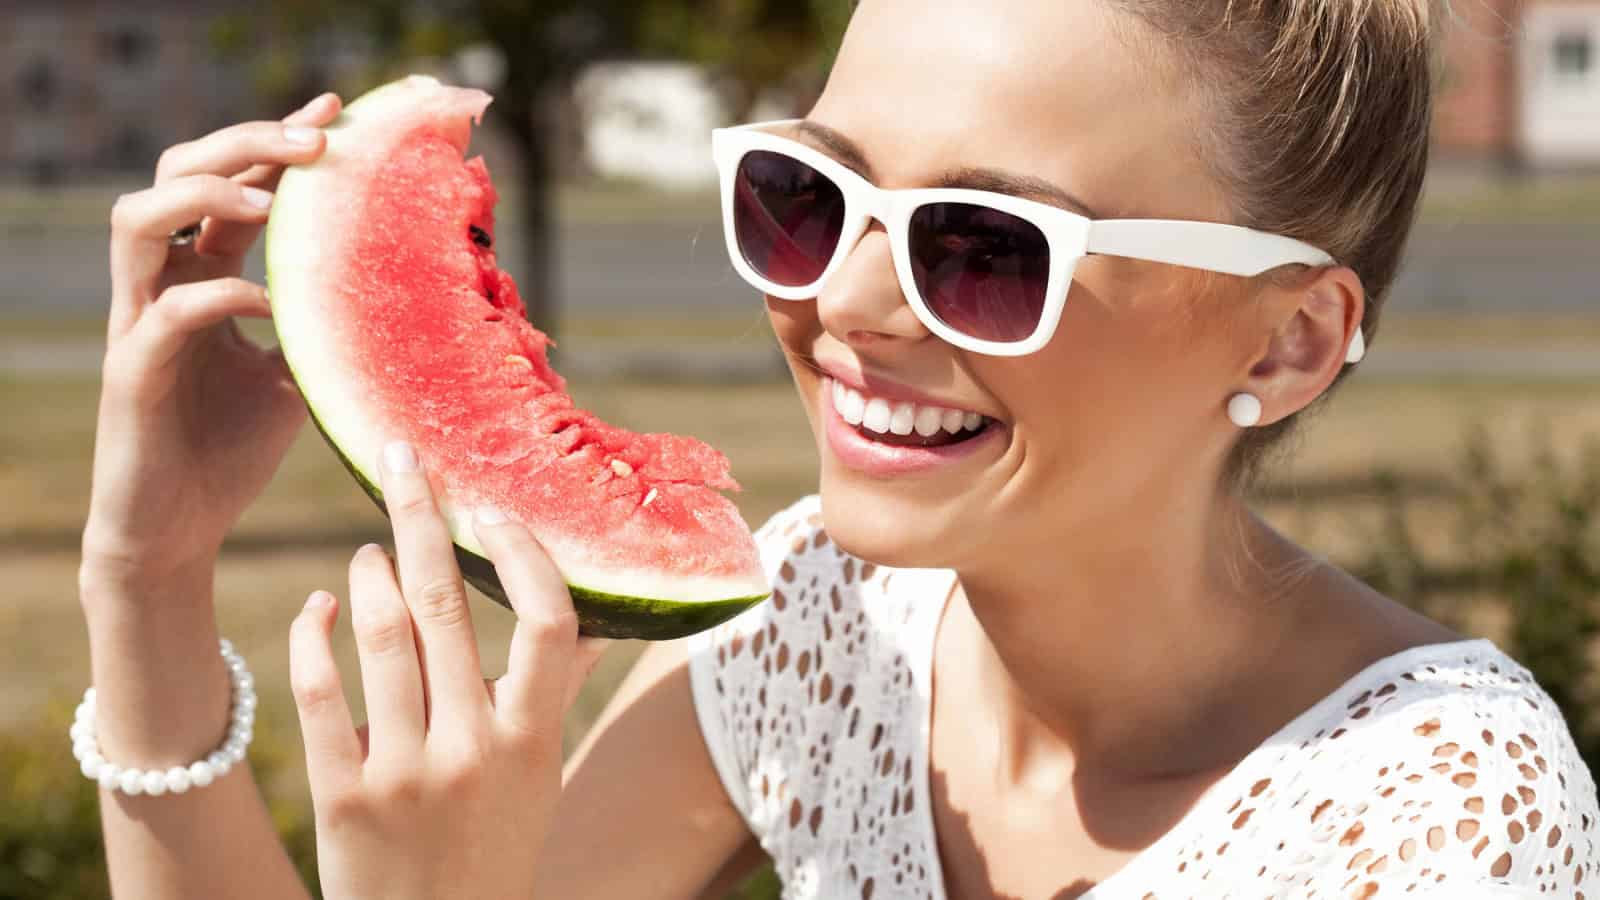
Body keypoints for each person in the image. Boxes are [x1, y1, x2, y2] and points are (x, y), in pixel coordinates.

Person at [80, 1, 1597, 897]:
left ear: (1288, 343)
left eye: (986, 246)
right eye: (812, 198)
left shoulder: (1435, 824)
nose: (844, 306)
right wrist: (149, 579)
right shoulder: (823, 630)